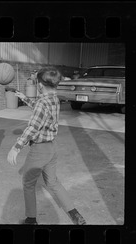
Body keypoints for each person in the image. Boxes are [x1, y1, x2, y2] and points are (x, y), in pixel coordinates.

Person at [7, 66, 86, 225]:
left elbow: (33, 127)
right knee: (53, 182)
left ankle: (31, 220)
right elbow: (41, 109)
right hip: (51, 148)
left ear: (40, 85)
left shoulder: (42, 102)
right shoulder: (54, 99)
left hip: (39, 150)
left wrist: (16, 147)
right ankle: (75, 215)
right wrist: (25, 98)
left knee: (28, 184)